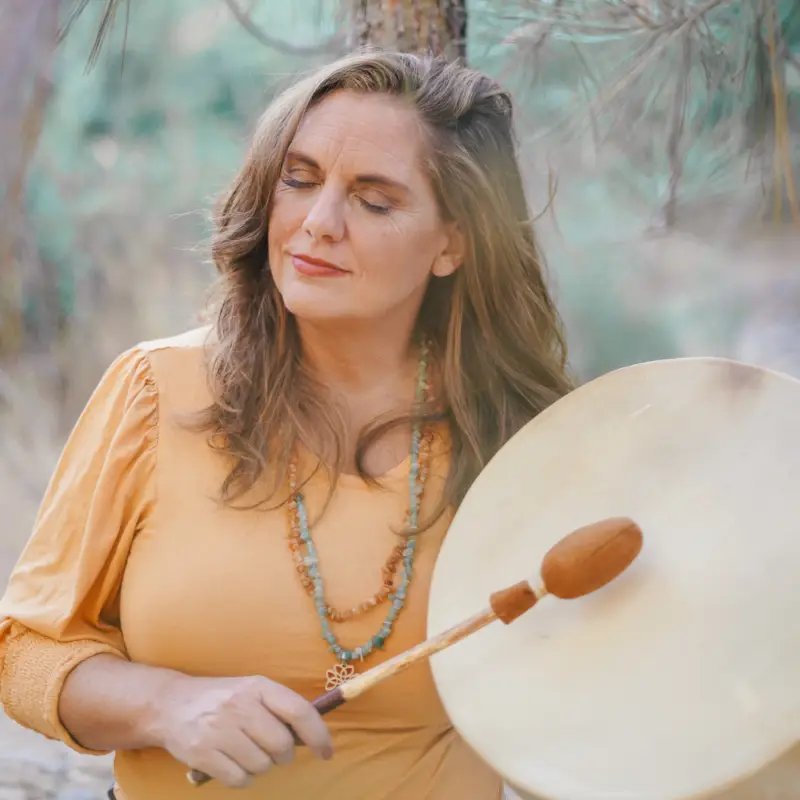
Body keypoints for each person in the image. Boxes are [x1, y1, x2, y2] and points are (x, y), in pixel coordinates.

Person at [0, 50, 572, 799]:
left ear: (452, 242)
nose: (318, 223)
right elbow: (26, 652)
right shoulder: (156, 390)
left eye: (374, 201)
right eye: (298, 181)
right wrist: (169, 705)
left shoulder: (526, 438)